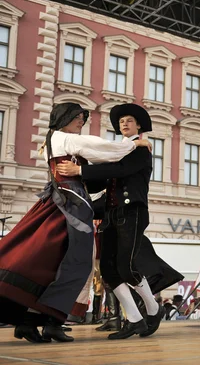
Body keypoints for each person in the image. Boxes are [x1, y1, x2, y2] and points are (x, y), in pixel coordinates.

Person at [0, 103, 150, 343]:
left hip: (60, 203)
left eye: (82, 118)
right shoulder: (66, 139)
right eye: (78, 118)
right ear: (65, 118)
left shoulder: (54, 139)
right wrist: (133, 144)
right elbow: (103, 149)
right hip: (69, 205)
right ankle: (50, 322)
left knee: (50, 263)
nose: (81, 122)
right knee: (76, 262)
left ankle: (34, 322)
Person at [57, 103, 183, 339]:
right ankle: (135, 319)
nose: (124, 124)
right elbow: (102, 180)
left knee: (126, 267)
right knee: (108, 270)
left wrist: (81, 172)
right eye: (121, 121)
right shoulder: (118, 151)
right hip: (111, 215)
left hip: (132, 213)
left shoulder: (140, 150)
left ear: (138, 126)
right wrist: (82, 168)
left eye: (129, 121)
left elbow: (122, 170)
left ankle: (154, 310)